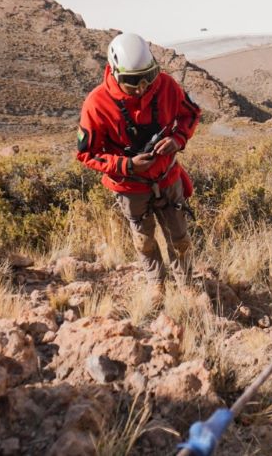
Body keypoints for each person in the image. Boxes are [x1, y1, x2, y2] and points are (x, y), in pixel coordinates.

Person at [76, 33, 201, 283]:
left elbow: (191, 114)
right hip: (130, 187)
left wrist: (177, 140)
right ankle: (157, 285)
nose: (142, 86)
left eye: (148, 76)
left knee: (180, 238)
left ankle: (186, 285)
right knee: (144, 240)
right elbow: (86, 153)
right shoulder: (96, 103)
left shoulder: (166, 85)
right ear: (114, 72)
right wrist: (127, 165)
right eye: (133, 81)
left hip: (167, 179)